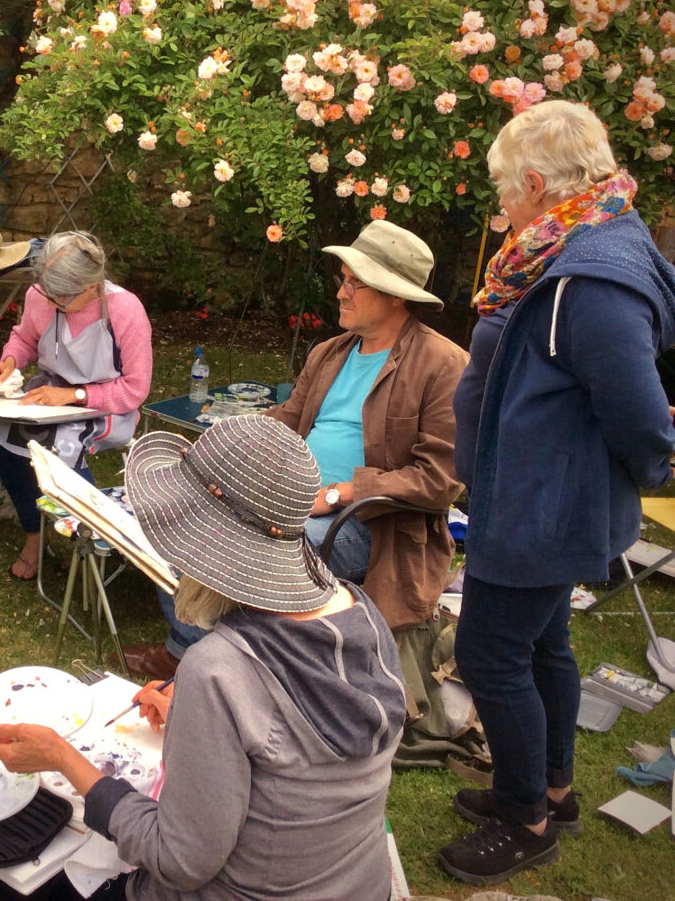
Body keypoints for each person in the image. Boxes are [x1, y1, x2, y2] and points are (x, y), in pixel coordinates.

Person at [0, 414, 406, 901]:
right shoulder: (359, 610)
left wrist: (61, 757)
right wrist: (202, 717)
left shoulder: (219, 668)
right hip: (358, 885)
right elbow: (287, 748)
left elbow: (180, 860)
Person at [441, 100, 675, 885]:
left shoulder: (590, 276)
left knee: (490, 655)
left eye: (506, 192)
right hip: (536, 497)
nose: (503, 208)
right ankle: (553, 788)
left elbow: (640, 418)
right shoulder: (574, 242)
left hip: (540, 510)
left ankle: (525, 820)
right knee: (545, 645)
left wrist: (650, 473)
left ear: (537, 184)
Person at [121, 220, 467, 680]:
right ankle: (193, 651)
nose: (341, 293)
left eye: (354, 284)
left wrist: (343, 492)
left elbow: (441, 480)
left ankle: (210, 668)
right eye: (342, 280)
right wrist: (219, 448)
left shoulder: (443, 365)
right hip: (286, 499)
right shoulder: (330, 352)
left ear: (395, 294)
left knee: (236, 551)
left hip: (373, 525)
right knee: (178, 519)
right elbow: (286, 420)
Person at [0, 231, 152, 580]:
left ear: (93, 286)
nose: (52, 302)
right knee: (3, 436)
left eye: (61, 298)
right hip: (51, 395)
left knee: (57, 442)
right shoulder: (40, 295)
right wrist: (11, 361)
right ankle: (35, 536)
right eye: (49, 294)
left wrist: (74, 396)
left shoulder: (125, 309)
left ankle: (89, 541)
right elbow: (25, 337)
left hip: (108, 405)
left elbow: (135, 390)